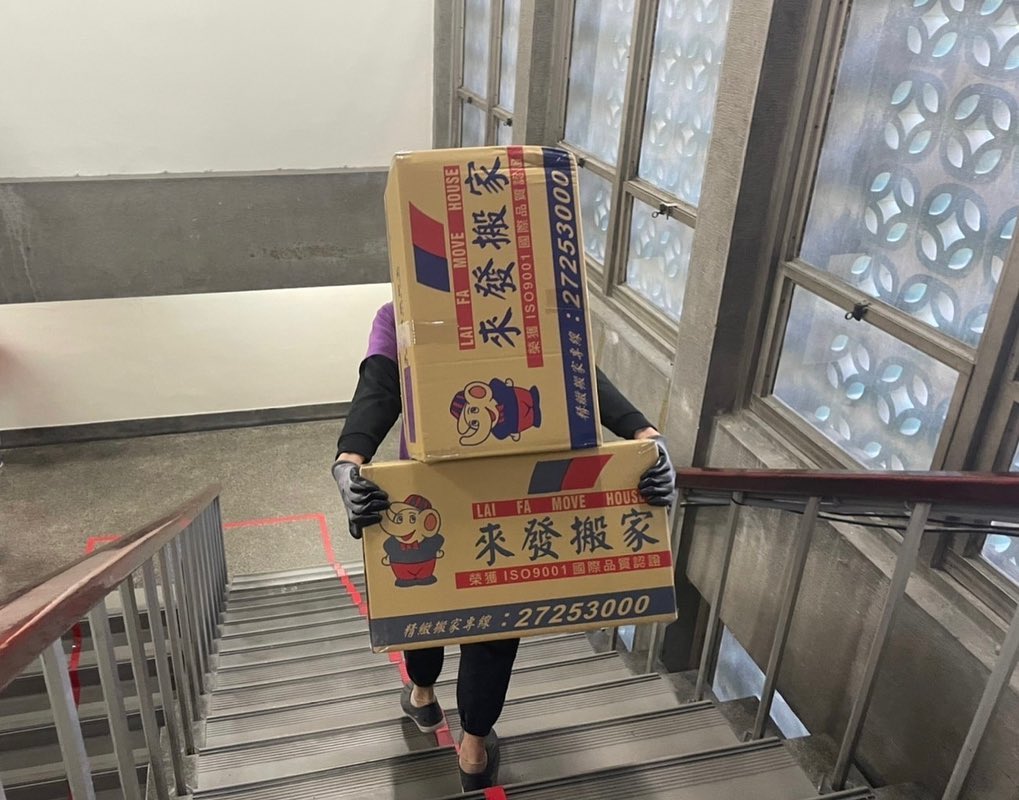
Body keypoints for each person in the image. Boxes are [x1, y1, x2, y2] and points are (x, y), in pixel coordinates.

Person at [332, 301, 677, 791]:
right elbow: (577, 376)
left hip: (439, 487)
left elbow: (380, 385)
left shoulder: (402, 312)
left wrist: (646, 438)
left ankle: (423, 696)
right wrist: (644, 432)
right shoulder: (525, 310)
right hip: (507, 489)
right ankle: (473, 749)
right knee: (493, 615)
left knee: (426, 599)